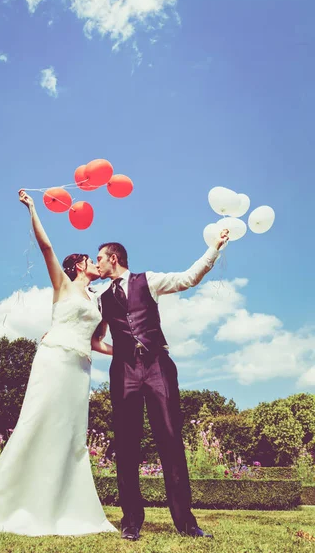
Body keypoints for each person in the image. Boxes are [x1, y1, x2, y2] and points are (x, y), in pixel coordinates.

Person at [0, 190, 117, 537]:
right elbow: (47, 248)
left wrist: (121, 352)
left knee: (70, 435)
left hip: (80, 370)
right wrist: (33, 208)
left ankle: (64, 506)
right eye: (90, 260)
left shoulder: (98, 302)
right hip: (53, 361)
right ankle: (6, 506)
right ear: (78, 265)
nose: (96, 263)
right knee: (36, 422)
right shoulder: (62, 285)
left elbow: (95, 341)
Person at [96, 230, 229, 540]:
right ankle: (131, 522)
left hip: (157, 365)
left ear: (114, 259)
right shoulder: (100, 298)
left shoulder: (149, 280)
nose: (98, 262)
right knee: (127, 446)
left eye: (100, 257)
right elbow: (92, 335)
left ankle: (186, 523)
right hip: (124, 372)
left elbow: (188, 278)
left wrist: (214, 248)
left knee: (170, 440)